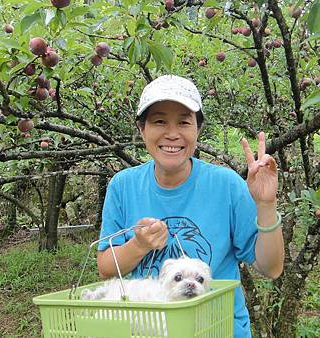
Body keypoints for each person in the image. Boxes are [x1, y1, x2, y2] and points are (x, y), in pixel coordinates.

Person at [97, 74, 284, 338]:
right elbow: (106, 267)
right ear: (142, 129)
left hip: (217, 329)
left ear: (198, 129)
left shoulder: (226, 185)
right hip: (146, 330)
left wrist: (266, 204)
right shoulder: (123, 186)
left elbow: (271, 268)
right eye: (159, 121)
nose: (172, 134)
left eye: (184, 122)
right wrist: (138, 245)